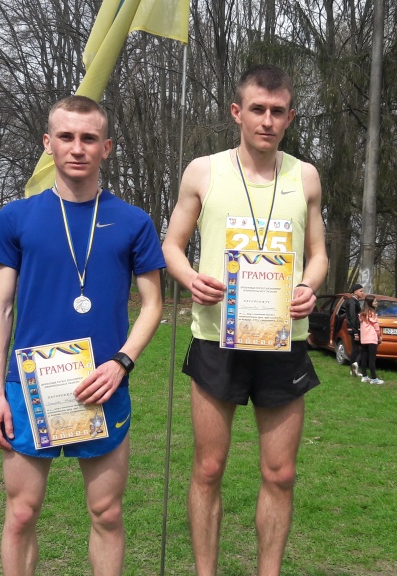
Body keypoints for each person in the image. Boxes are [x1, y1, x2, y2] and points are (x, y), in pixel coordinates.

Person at [0, 96, 165, 576]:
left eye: (88, 138)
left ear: (107, 147)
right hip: (28, 388)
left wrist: (121, 362)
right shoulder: (16, 218)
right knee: (22, 513)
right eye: (66, 137)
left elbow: (153, 305)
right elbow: (0, 307)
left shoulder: (134, 222)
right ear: (48, 143)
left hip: (102, 385)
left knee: (107, 513)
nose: (77, 148)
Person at [161, 64, 328, 576]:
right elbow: (172, 246)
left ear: (290, 117)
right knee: (208, 468)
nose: (267, 120)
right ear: (237, 112)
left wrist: (308, 286)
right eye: (258, 109)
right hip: (218, 337)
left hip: (283, 341)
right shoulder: (203, 171)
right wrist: (191, 279)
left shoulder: (305, 176)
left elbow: (319, 254)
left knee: (280, 474)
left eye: (278, 111)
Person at [358, 294, 383, 385]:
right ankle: (374, 378)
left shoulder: (362, 313)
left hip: (364, 339)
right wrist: (379, 336)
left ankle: (364, 376)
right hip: (372, 338)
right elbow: (376, 326)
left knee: (364, 358)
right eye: (375, 301)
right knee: (372, 359)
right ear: (370, 303)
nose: (376, 303)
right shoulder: (372, 313)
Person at [344, 283, 364, 377]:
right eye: (361, 291)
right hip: (354, 329)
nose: (362, 293)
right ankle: (353, 368)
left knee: (358, 348)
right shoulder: (352, 301)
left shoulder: (354, 301)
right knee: (356, 349)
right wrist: (355, 331)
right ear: (355, 292)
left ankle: (355, 367)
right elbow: (352, 317)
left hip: (355, 328)